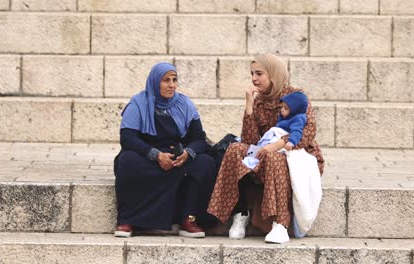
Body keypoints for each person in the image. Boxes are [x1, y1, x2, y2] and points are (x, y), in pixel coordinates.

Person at [207, 54, 324, 243]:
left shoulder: (296, 96)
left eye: (259, 73)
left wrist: (276, 146)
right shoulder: (260, 101)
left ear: (274, 74)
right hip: (264, 152)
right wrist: (249, 105)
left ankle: (281, 224)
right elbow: (250, 140)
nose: (254, 78)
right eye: (252, 73)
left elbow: (307, 130)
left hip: (294, 154)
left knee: (274, 158)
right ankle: (240, 212)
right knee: (235, 149)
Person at [113, 62, 216, 238]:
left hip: (176, 157)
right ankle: (128, 220)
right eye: (166, 80)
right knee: (127, 161)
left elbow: (198, 138)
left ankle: (188, 219)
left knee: (205, 163)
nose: (172, 85)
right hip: (146, 155)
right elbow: (128, 138)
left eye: (174, 80)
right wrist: (156, 155)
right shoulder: (138, 103)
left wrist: (187, 154)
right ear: (155, 82)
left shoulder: (184, 104)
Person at [242, 91, 309, 170]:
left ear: (295, 110)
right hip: (275, 136)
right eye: (282, 107)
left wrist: (291, 142)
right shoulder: (286, 116)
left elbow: (297, 131)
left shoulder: (297, 118)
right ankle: (252, 160)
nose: (282, 110)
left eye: (286, 108)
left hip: (279, 138)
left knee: (265, 153)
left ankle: (253, 163)